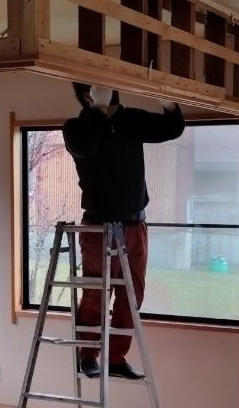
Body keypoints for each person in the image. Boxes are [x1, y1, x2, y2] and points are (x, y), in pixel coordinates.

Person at [62, 83, 185, 380]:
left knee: (132, 293)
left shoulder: (130, 120)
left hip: (134, 224)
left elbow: (171, 129)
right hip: (99, 225)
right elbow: (84, 147)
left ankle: (116, 358)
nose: (112, 103)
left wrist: (168, 103)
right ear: (88, 96)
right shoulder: (77, 128)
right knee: (95, 291)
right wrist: (98, 111)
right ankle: (88, 355)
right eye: (102, 93)